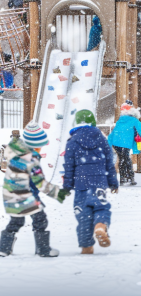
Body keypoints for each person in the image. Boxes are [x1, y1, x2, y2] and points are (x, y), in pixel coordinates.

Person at [0, 122, 64, 257]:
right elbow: (39, 182)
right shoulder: (32, 159)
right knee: (41, 220)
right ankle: (43, 250)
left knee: (16, 221)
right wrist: (58, 193)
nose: (40, 149)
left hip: (11, 194)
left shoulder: (15, 155)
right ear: (34, 146)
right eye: (39, 146)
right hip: (27, 194)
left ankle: (3, 248)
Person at [62, 109, 119, 254]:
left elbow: (69, 166)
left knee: (83, 215)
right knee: (101, 208)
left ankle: (86, 246)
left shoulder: (72, 141)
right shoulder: (101, 138)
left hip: (81, 185)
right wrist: (113, 182)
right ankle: (100, 225)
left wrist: (67, 186)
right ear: (93, 122)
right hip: (99, 182)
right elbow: (109, 163)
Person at [108, 101, 141, 186]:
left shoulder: (120, 120)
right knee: (126, 158)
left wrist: (108, 142)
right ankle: (131, 177)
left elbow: (114, 131)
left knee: (122, 158)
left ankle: (123, 177)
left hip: (116, 142)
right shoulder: (134, 120)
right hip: (125, 142)